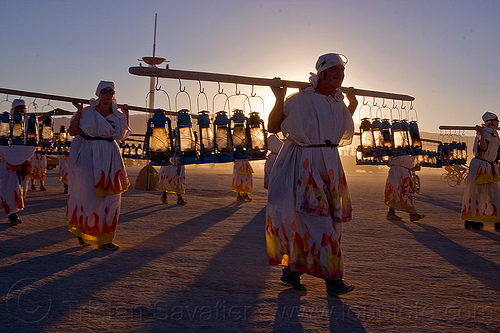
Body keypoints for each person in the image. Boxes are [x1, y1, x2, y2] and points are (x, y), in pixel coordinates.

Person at [266, 53, 358, 296]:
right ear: (322, 73)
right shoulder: (301, 100)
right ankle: (333, 279)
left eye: (342, 71)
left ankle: (292, 271)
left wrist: (352, 104)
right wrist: (280, 98)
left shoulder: (337, 102)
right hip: (305, 164)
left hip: (330, 164)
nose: (340, 74)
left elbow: (338, 126)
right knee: (318, 221)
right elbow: (274, 127)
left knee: (318, 220)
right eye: (334, 70)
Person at [68, 81, 131, 251]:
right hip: (89, 155)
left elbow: (122, 136)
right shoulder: (88, 112)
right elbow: (73, 132)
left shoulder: (117, 115)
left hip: (111, 156)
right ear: (98, 93)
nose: (108, 94)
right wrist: (79, 113)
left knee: (112, 198)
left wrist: (126, 115)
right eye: (104, 91)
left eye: (111, 92)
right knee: (88, 196)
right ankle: (84, 231)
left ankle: (105, 238)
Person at [461, 111, 500, 231]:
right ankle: (473, 220)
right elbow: (483, 147)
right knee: (477, 193)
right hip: (481, 165)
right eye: (496, 120)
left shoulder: (493, 133)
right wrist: (482, 133)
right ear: (491, 122)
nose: (498, 122)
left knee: (493, 193)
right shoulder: (484, 133)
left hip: (490, 165)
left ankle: (477, 220)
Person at [0, 99, 36, 225]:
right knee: (9, 187)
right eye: (18, 108)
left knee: (22, 188)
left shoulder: (30, 124)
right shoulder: (5, 122)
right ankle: (12, 213)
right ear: (14, 109)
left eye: (23, 108)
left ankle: (15, 210)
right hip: (7, 161)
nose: (21, 110)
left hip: (24, 162)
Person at [385, 155, 425, 222]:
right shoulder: (402, 152)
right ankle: (412, 214)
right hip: (400, 171)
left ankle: (391, 213)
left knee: (398, 191)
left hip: (400, 171)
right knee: (401, 191)